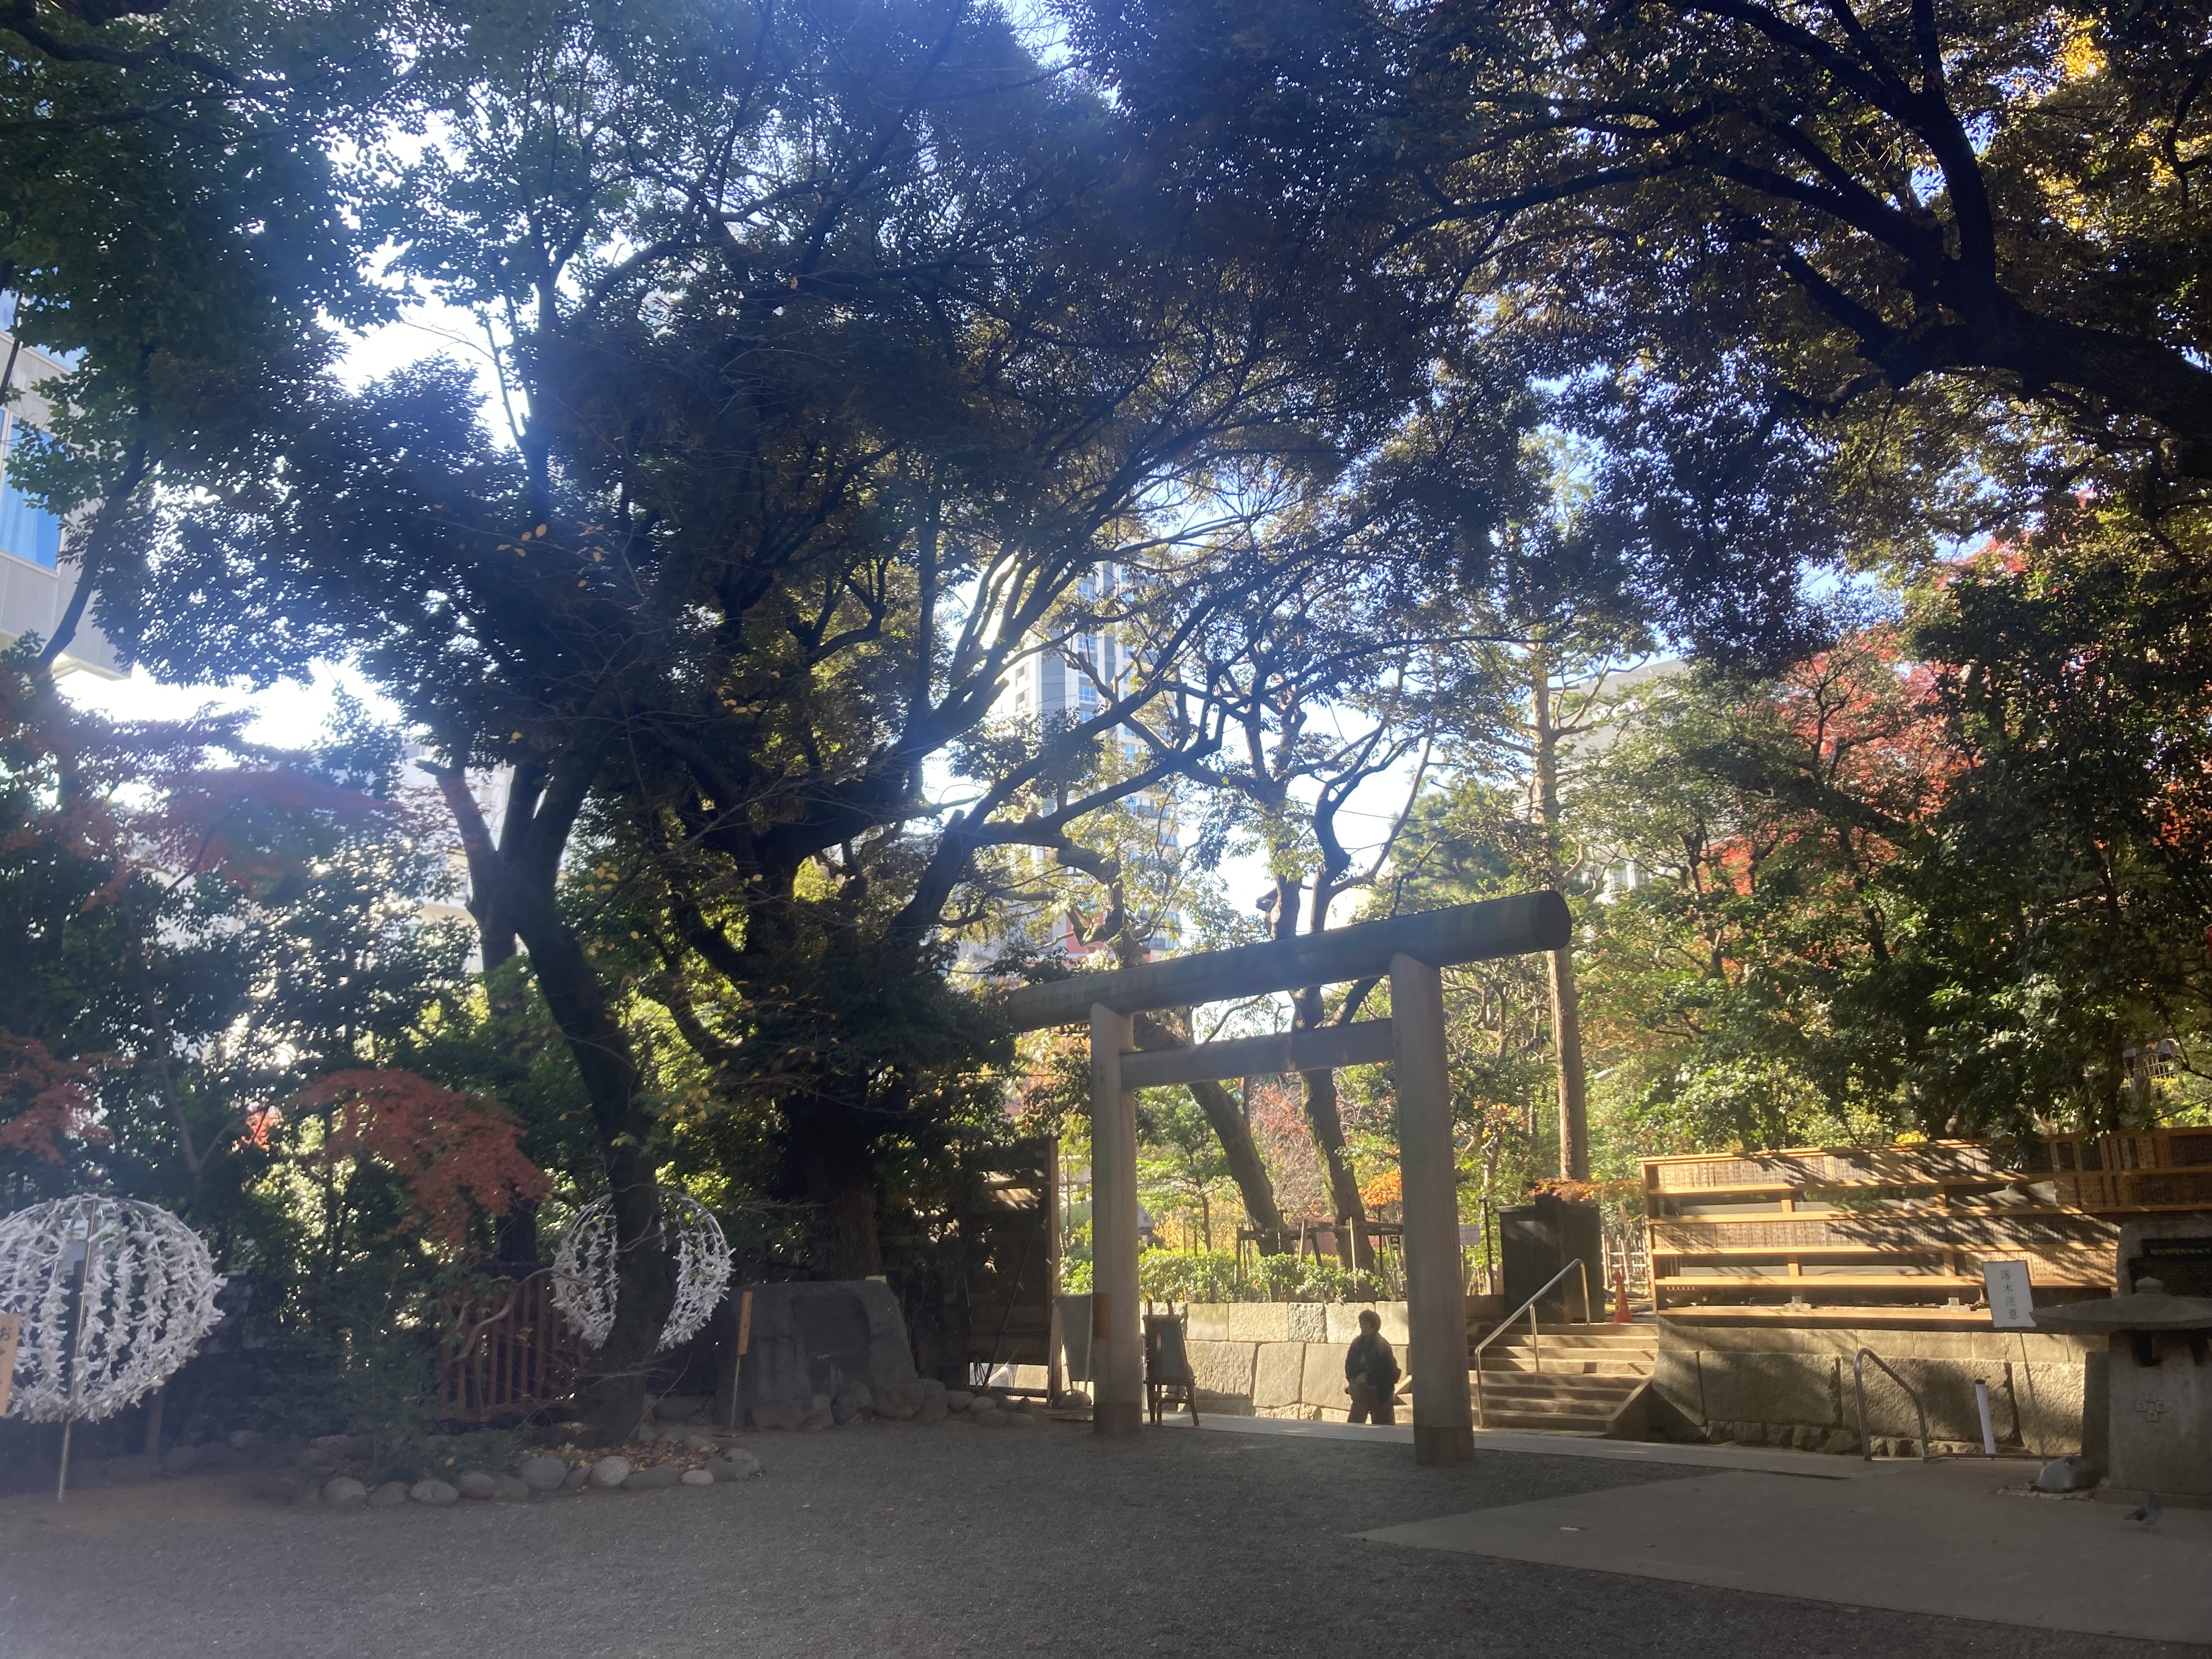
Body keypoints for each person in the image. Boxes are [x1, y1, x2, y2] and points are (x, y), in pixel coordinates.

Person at [1344, 1309, 1401, 1425]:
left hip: (1380, 1392)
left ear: (1374, 1326)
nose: (1362, 1327)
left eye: (1365, 1324)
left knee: (1384, 1428)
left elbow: (1385, 1370)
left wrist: (1368, 1377)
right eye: (1361, 1323)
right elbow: (1350, 1364)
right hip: (1361, 1391)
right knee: (1354, 1427)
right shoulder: (1357, 1344)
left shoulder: (1382, 1346)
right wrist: (1355, 1379)